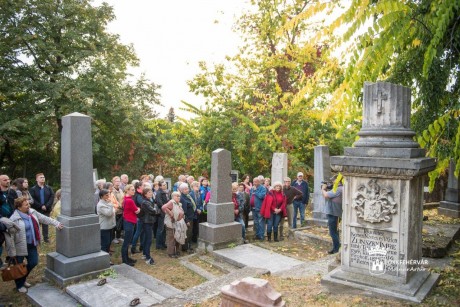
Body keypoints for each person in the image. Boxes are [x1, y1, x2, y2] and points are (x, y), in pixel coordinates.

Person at [10, 196, 63, 293]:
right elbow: (10, 237)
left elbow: (44, 218)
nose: (28, 206)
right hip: (19, 247)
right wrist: (11, 251)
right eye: (26, 205)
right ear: (19, 207)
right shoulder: (14, 219)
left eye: (28, 204)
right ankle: (19, 285)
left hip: (31, 244)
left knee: (33, 262)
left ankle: (23, 278)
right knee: (18, 267)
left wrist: (56, 223)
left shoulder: (32, 212)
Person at [29, 173, 55, 243]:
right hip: (37, 210)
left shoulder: (49, 188)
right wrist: (41, 206)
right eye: (41, 177)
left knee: (46, 224)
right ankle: (37, 239)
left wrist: (46, 206)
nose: (43, 178)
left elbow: (52, 197)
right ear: (37, 179)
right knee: (36, 224)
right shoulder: (33, 189)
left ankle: (46, 239)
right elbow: (32, 199)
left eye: (43, 177)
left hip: (46, 209)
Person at [321, 175, 343, 254]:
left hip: (334, 213)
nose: (333, 182)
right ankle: (336, 247)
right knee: (335, 232)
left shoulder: (338, 189)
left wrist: (323, 189)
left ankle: (336, 249)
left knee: (333, 232)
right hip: (334, 213)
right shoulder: (339, 188)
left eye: (333, 180)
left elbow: (326, 195)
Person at [121, 184, 140, 266]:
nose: (134, 191)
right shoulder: (129, 200)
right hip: (129, 222)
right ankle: (125, 260)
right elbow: (136, 211)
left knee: (128, 242)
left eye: (134, 189)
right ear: (127, 190)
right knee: (126, 242)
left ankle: (127, 258)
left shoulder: (126, 198)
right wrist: (139, 208)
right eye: (132, 190)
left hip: (128, 221)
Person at [162, 192, 184, 258]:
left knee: (177, 237)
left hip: (177, 223)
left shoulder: (179, 204)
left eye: (179, 196)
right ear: (173, 196)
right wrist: (170, 213)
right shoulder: (171, 202)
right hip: (170, 223)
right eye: (177, 196)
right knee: (171, 238)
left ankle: (176, 251)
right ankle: (170, 253)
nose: (178, 197)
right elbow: (163, 207)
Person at [96, 189, 115, 262]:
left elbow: (113, 212)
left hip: (110, 226)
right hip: (104, 227)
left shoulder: (107, 203)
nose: (108, 196)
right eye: (106, 195)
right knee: (105, 244)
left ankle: (106, 257)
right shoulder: (100, 205)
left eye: (109, 194)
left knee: (109, 242)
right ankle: (103, 260)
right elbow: (109, 213)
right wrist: (111, 205)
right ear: (101, 196)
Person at [140, 187, 157, 265]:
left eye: (151, 192)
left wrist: (154, 209)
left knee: (147, 239)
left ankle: (144, 254)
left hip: (149, 221)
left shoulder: (150, 200)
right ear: (145, 194)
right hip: (147, 222)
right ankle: (148, 257)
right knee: (148, 240)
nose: (151, 193)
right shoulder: (145, 202)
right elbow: (153, 211)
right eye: (149, 192)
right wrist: (155, 209)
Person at [179, 183, 194, 253]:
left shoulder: (187, 196)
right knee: (187, 234)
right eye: (185, 189)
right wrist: (187, 220)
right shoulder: (182, 198)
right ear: (181, 190)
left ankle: (189, 246)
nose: (187, 190)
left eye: (187, 188)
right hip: (187, 219)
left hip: (191, 217)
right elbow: (184, 211)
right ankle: (185, 248)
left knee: (190, 233)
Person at [155, 181, 169, 250]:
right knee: (160, 229)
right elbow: (160, 203)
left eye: (165, 185)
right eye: (163, 185)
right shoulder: (159, 193)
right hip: (161, 213)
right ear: (160, 186)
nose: (165, 186)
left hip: (165, 212)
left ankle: (163, 243)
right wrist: (166, 209)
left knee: (164, 229)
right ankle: (158, 244)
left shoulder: (165, 192)